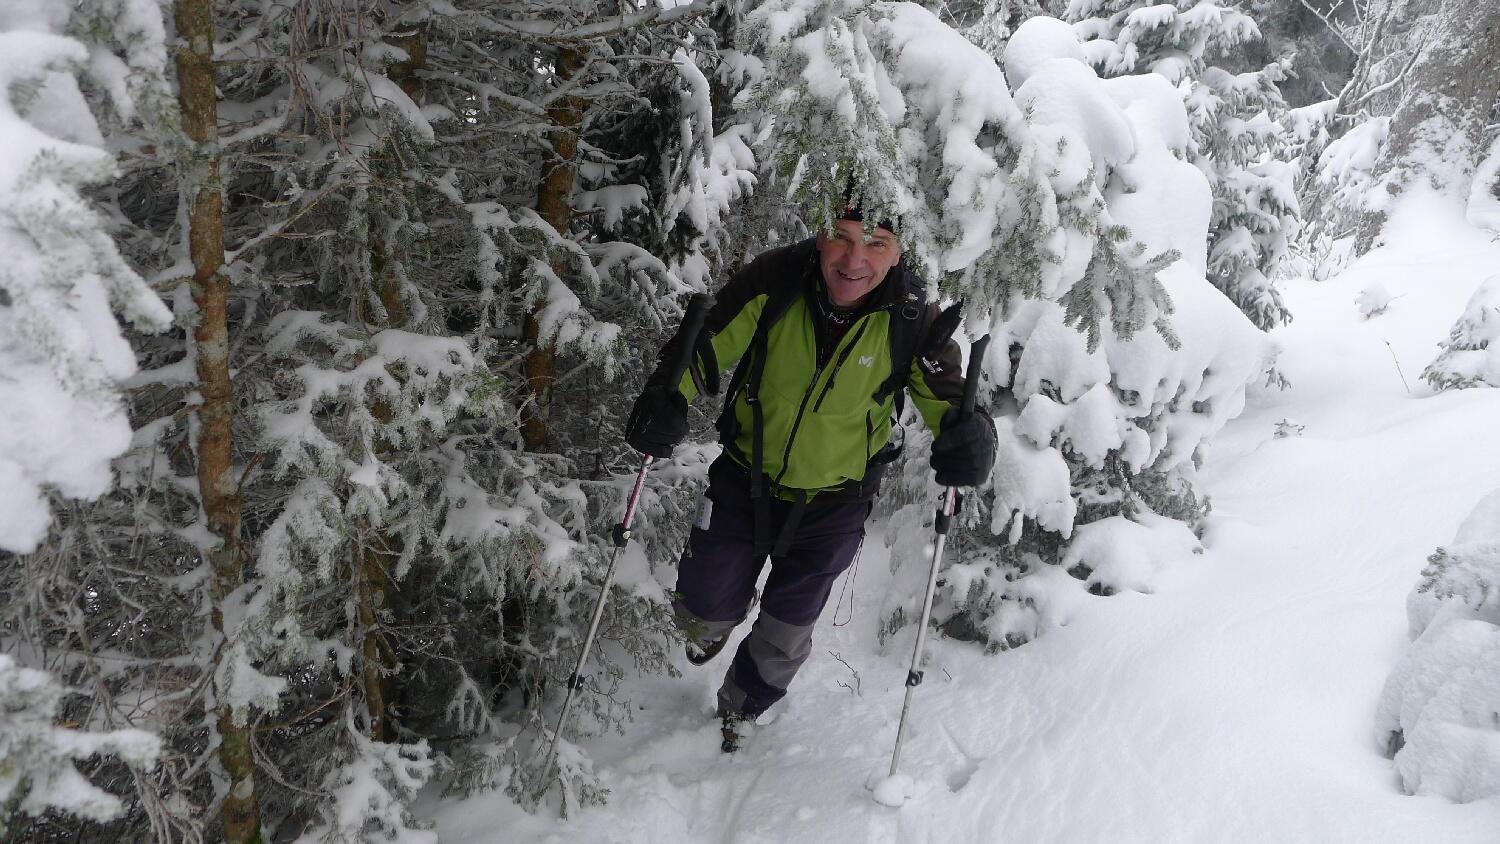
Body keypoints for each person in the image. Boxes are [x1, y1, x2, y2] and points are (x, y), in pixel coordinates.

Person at [625, 209, 996, 751]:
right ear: (820, 237)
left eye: (877, 244)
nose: (854, 260)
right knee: (700, 609)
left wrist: (973, 439)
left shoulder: (913, 317)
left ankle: (741, 709)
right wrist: (665, 397)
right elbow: (704, 348)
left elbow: (952, 402)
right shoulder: (776, 280)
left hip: (835, 503)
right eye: (841, 238)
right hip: (743, 480)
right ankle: (712, 626)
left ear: (899, 252)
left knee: (787, 628)